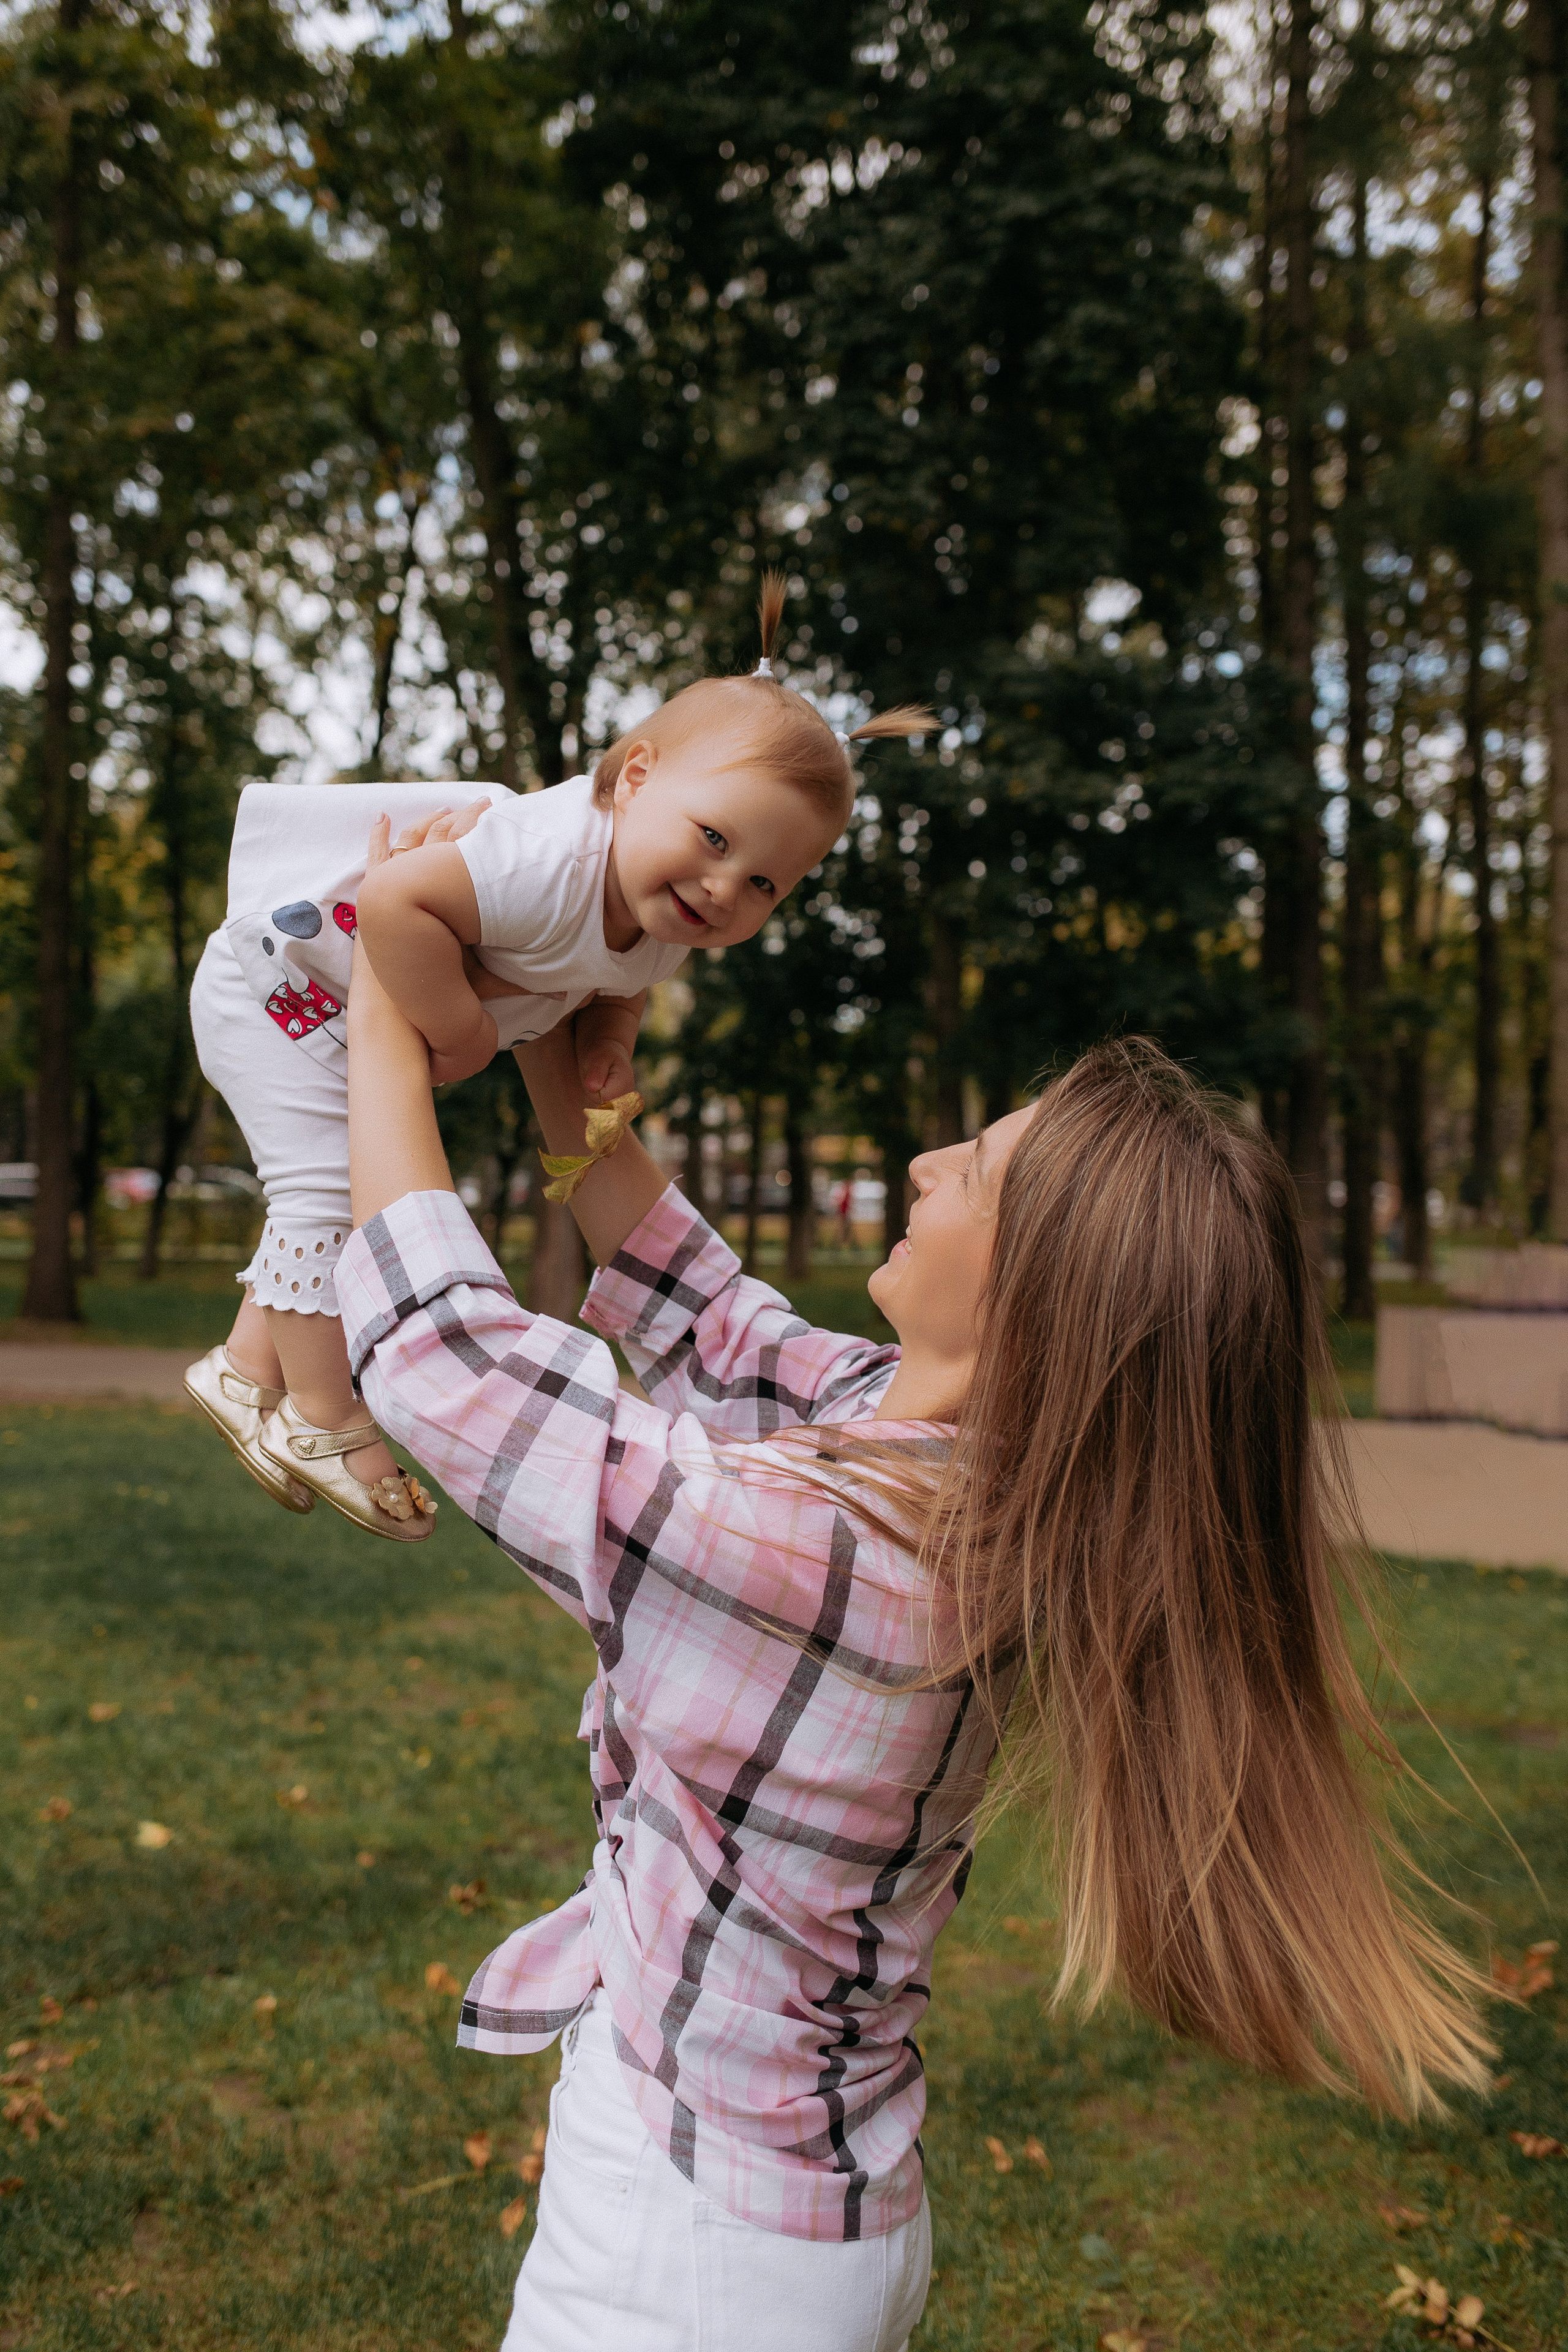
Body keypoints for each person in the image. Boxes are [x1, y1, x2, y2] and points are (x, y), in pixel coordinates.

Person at [337, 858, 1493, 2351]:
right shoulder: (963, 1464)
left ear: (1038, 1304)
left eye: (981, 1175)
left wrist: (378, 995)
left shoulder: (849, 1559)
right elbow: (710, 1315)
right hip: (786, 2203)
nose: (929, 1161)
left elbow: (447, 1364)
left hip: (692, 2255)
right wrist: (582, 1074)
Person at [181, 575, 926, 1539]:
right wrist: (464, 1034)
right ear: (637, 776)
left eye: (764, 884)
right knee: (325, 1193)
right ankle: (325, 1417)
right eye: (712, 838)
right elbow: (401, 900)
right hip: (276, 986)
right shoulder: (543, 860)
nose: (722, 887)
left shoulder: (663, 917)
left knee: (324, 1185)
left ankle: (247, 1372)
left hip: (320, 1011)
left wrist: (609, 1040)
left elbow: (621, 980)